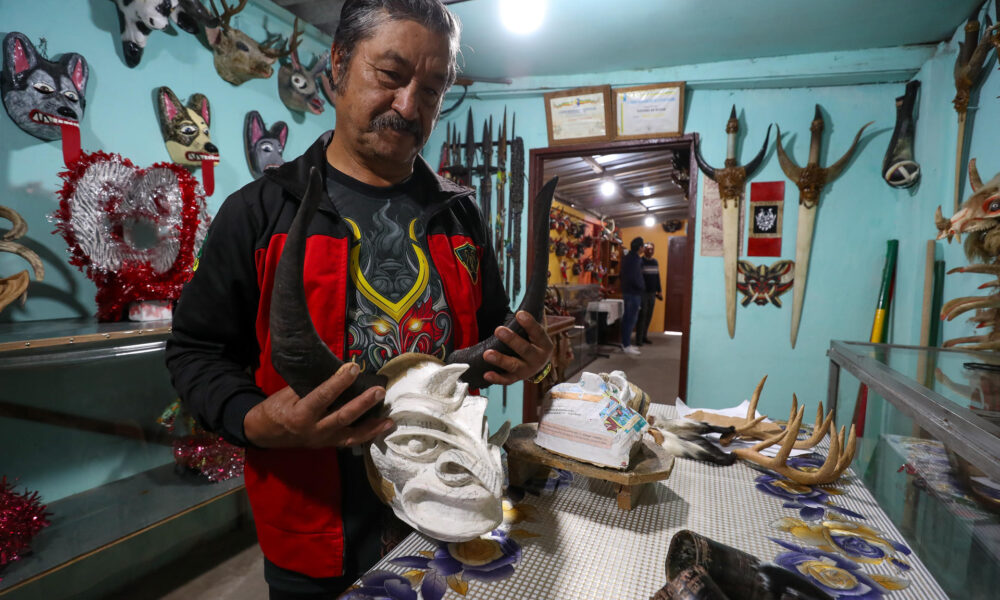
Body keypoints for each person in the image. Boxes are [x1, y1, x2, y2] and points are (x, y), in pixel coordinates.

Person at [164, 1, 553, 597]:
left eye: (432, 88)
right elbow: (195, 352)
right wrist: (256, 420)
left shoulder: (459, 215)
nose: (409, 106)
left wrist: (524, 356)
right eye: (391, 76)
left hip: (451, 511)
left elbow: (495, 331)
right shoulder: (259, 214)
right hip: (315, 527)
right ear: (339, 65)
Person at [619, 236, 645, 355]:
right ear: (640, 247)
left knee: (628, 319)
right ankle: (626, 345)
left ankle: (625, 343)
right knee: (630, 319)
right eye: (643, 246)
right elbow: (636, 278)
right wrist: (641, 287)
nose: (644, 248)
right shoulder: (635, 259)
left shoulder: (627, 258)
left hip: (628, 291)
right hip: (633, 293)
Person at [635, 242, 663, 345]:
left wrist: (659, 291)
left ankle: (644, 336)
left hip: (652, 293)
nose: (650, 251)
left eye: (652, 249)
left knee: (649, 315)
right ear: (644, 250)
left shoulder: (655, 262)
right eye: (648, 249)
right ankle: (638, 339)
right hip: (643, 293)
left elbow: (657, 277)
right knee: (642, 315)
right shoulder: (640, 261)